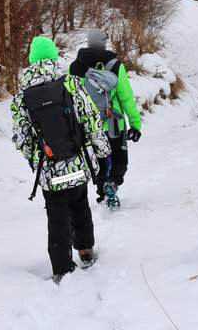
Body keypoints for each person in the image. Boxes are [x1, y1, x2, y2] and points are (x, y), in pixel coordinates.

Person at [11, 35, 110, 283]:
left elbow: (22, 138)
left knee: (57, 219)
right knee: (80, 208)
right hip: (77, 163)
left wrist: (37, 160)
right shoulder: (73, 85)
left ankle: (62, 268)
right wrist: (101, 150)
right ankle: (85, 250)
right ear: (55, 57)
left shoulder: (21, 97)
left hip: (50, 170)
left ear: (31, 61)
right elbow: (91, 119)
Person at [69, 29, 144, 210]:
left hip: (89, 125)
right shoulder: (116, 66)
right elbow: (126, 98)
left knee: (101, 161)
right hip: (114, 123)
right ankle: (112, 184)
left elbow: (71, 97)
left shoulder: (75, 67)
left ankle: (102, 193)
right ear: (104, 43)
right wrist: (135, 124)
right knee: (120, 161)